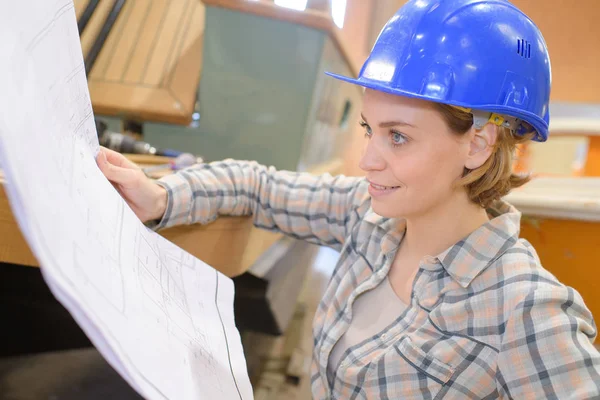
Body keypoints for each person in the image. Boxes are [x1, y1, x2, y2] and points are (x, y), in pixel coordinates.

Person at [97, 0, 600, 398]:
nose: (367, 160)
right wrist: (162, 195)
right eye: (368, 129)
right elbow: (257, 186)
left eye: (397, 137)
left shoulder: (526, 310)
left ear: (477, 144)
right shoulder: (369, 217)